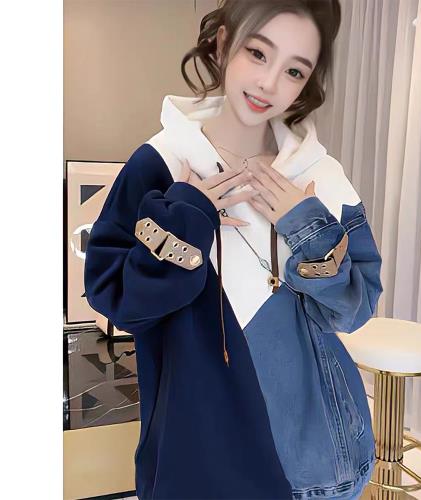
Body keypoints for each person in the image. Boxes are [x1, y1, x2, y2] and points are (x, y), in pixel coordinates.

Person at [84, 0, 383, 499]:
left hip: (317, 471)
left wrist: (306, 226)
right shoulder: (160, 164)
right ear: (223, 43)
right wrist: (186, 217)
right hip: (200, 467)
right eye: (258, 53)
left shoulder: (320, 176)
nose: (269, 83)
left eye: (294, 70)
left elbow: (356, 309)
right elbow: (116, 300)